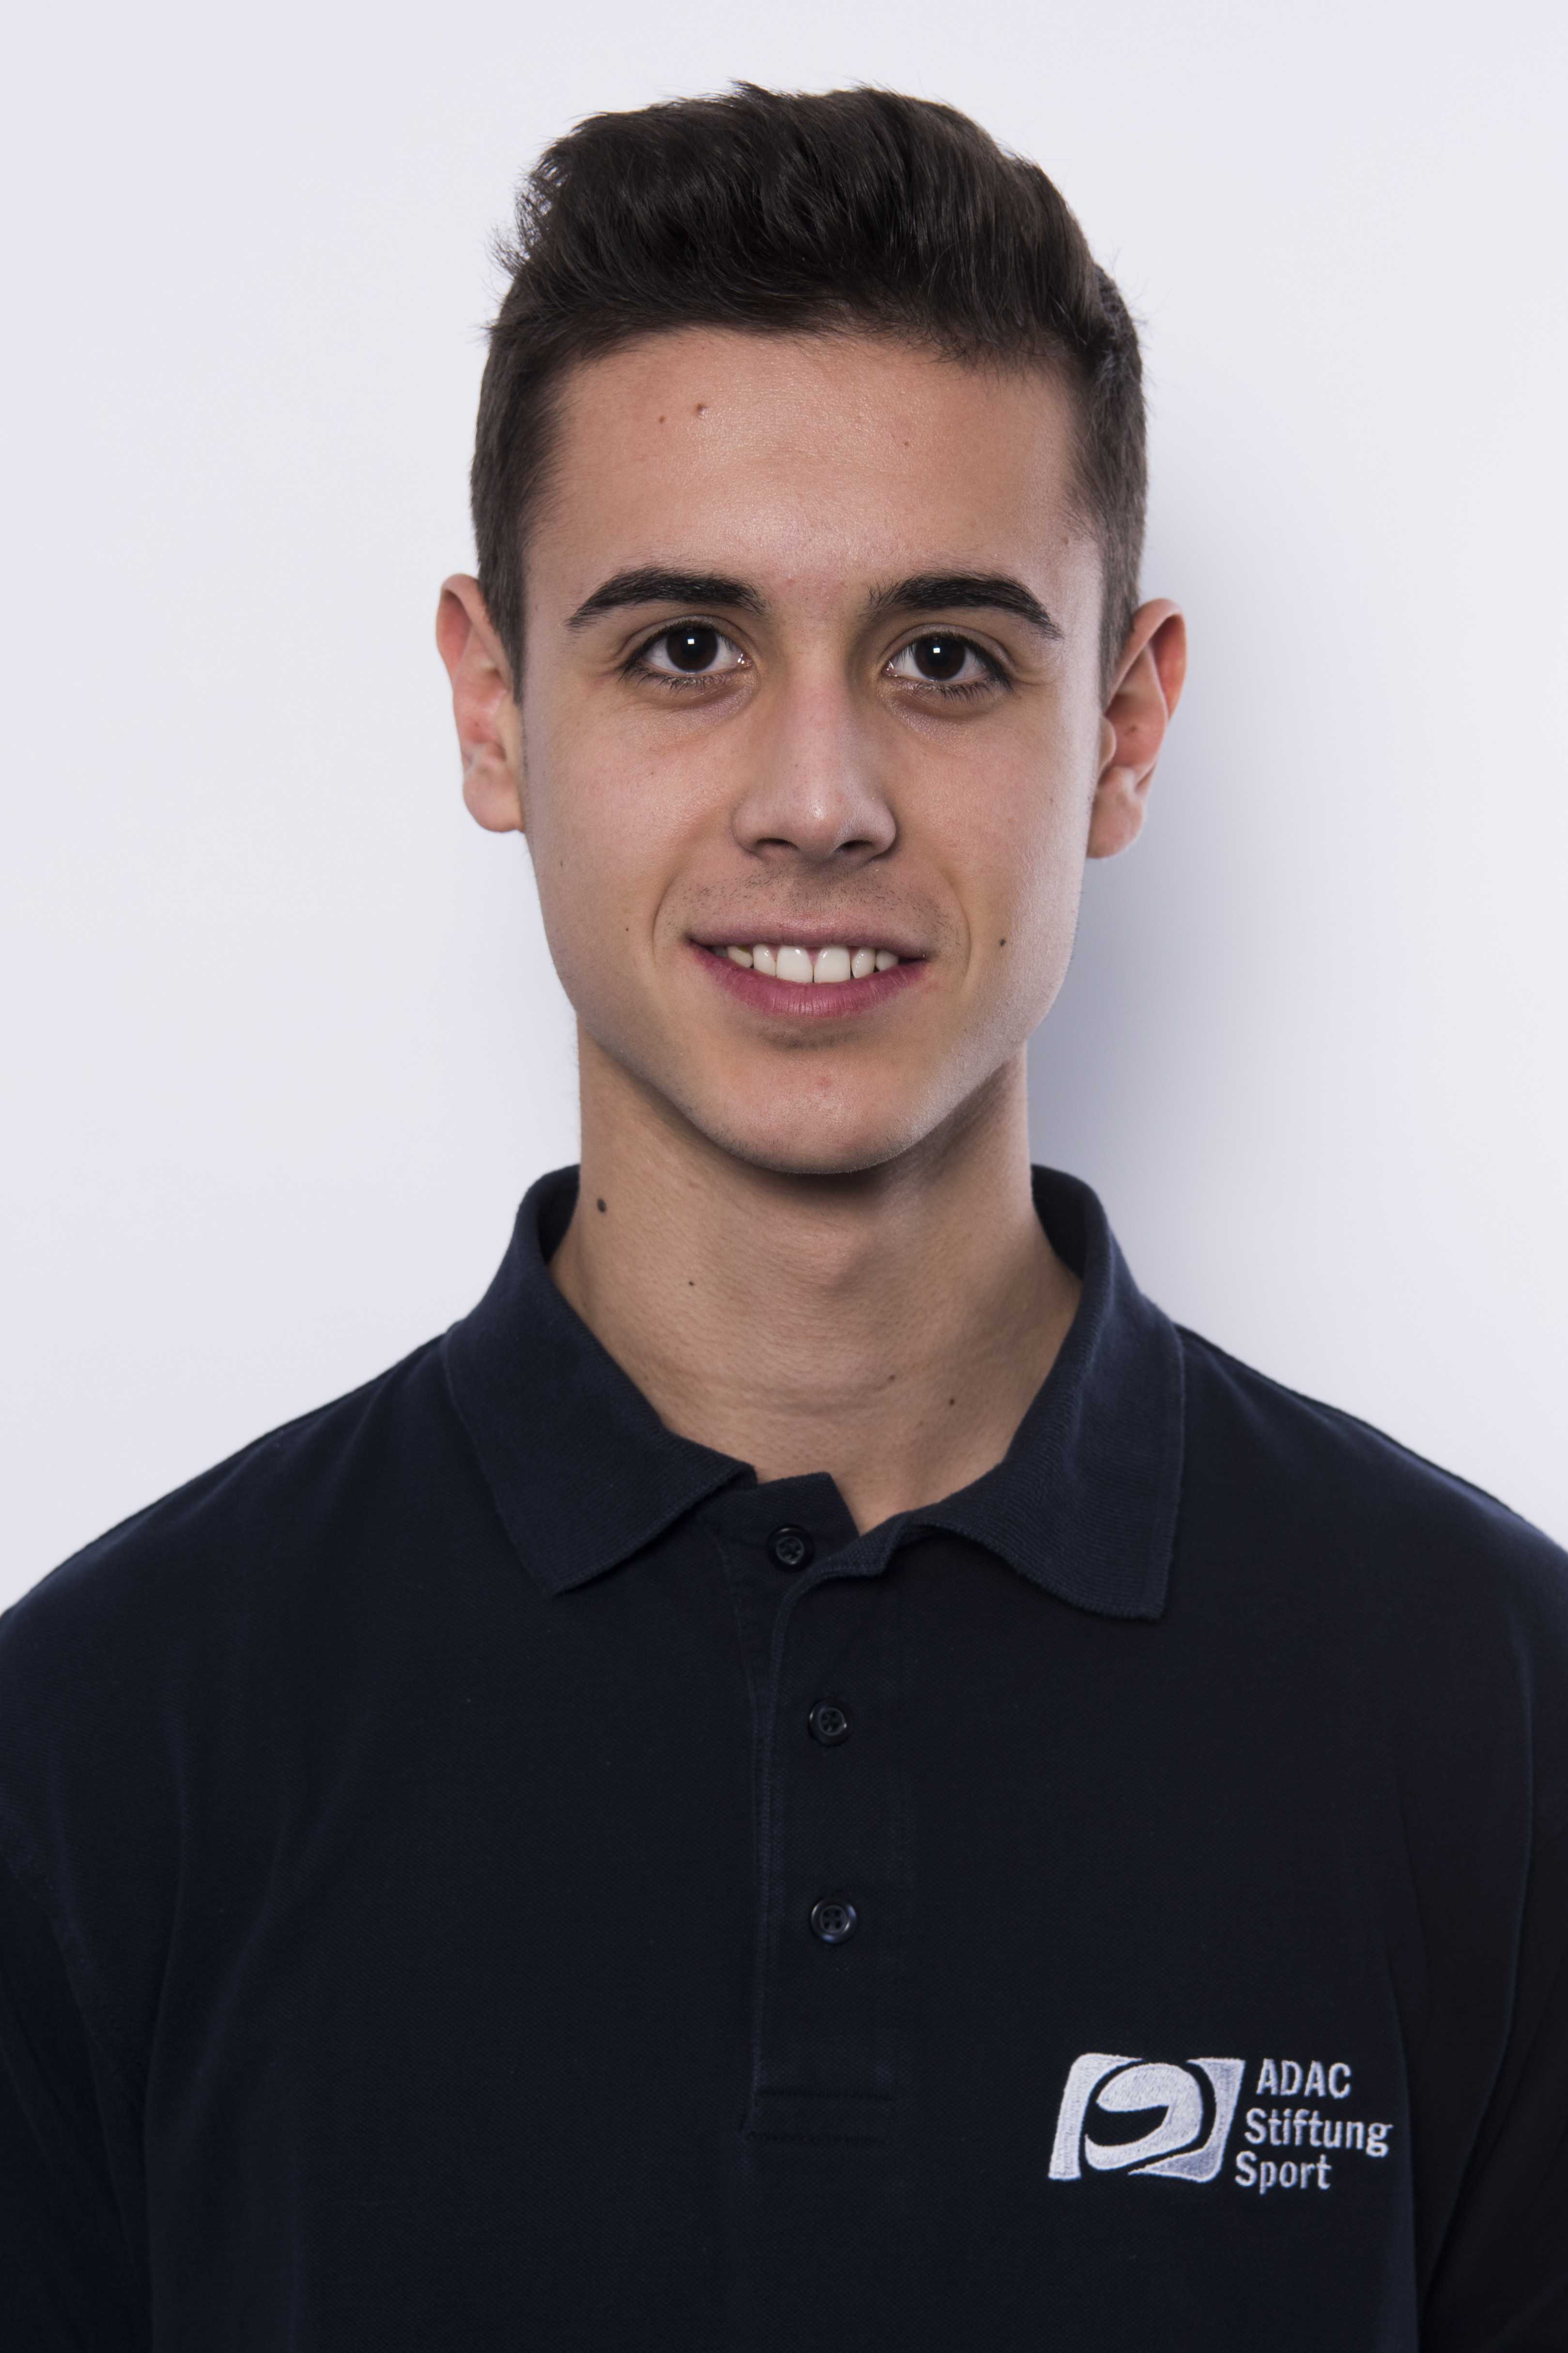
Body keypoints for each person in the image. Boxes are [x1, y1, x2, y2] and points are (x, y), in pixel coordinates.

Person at [0, 84, 1563, 2353]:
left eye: (947, 658)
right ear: (492, 709)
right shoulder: (98, 1748)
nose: (818, 803)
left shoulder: (1497, 1724)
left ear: (1126, 729)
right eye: (683, 649)